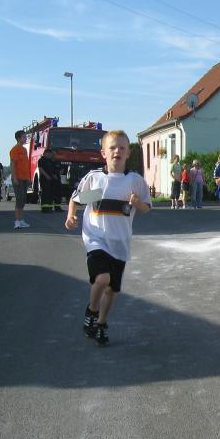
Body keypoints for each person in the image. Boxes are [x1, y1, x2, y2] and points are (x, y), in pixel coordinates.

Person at [65, 130, 152, 346]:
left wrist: (137, 203)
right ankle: (92, 311)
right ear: (103, 153)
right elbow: (77, 200)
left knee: (112, 291)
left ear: (128, 152)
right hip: (96, 238)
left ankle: (102, 323)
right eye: (112, 148)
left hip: (120, 243)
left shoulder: (134, 181)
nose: (117, 151)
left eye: (122, 148)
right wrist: (70, 216)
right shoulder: (97, 180)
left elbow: (146, 208)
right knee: (102, 279)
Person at [9, 130, 31, 229]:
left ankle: (21, 220)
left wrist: (29, 178)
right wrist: (15, 178)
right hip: (18, 178)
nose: (26, 138)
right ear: (18, 138)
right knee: (19, 199)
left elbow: (26, 165)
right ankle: (17, 221)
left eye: (26, 137)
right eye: (24, 137)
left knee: (23, 200)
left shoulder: (24, 149)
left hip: (25, 178)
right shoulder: (15, 149)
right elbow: (12, 164)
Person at [38, 148, 62, 212]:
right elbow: (40, 169)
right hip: (45, 180)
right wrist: (47, 176)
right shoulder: (41, 160)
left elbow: (54, 170)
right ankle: (45, 208)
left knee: (51, 194)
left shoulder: (51, 161)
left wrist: (55, 175)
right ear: (45, 154)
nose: (50, 155)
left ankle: (50, 208)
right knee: (46, 194)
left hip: (52, 180)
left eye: (51, 154)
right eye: (49, 154)